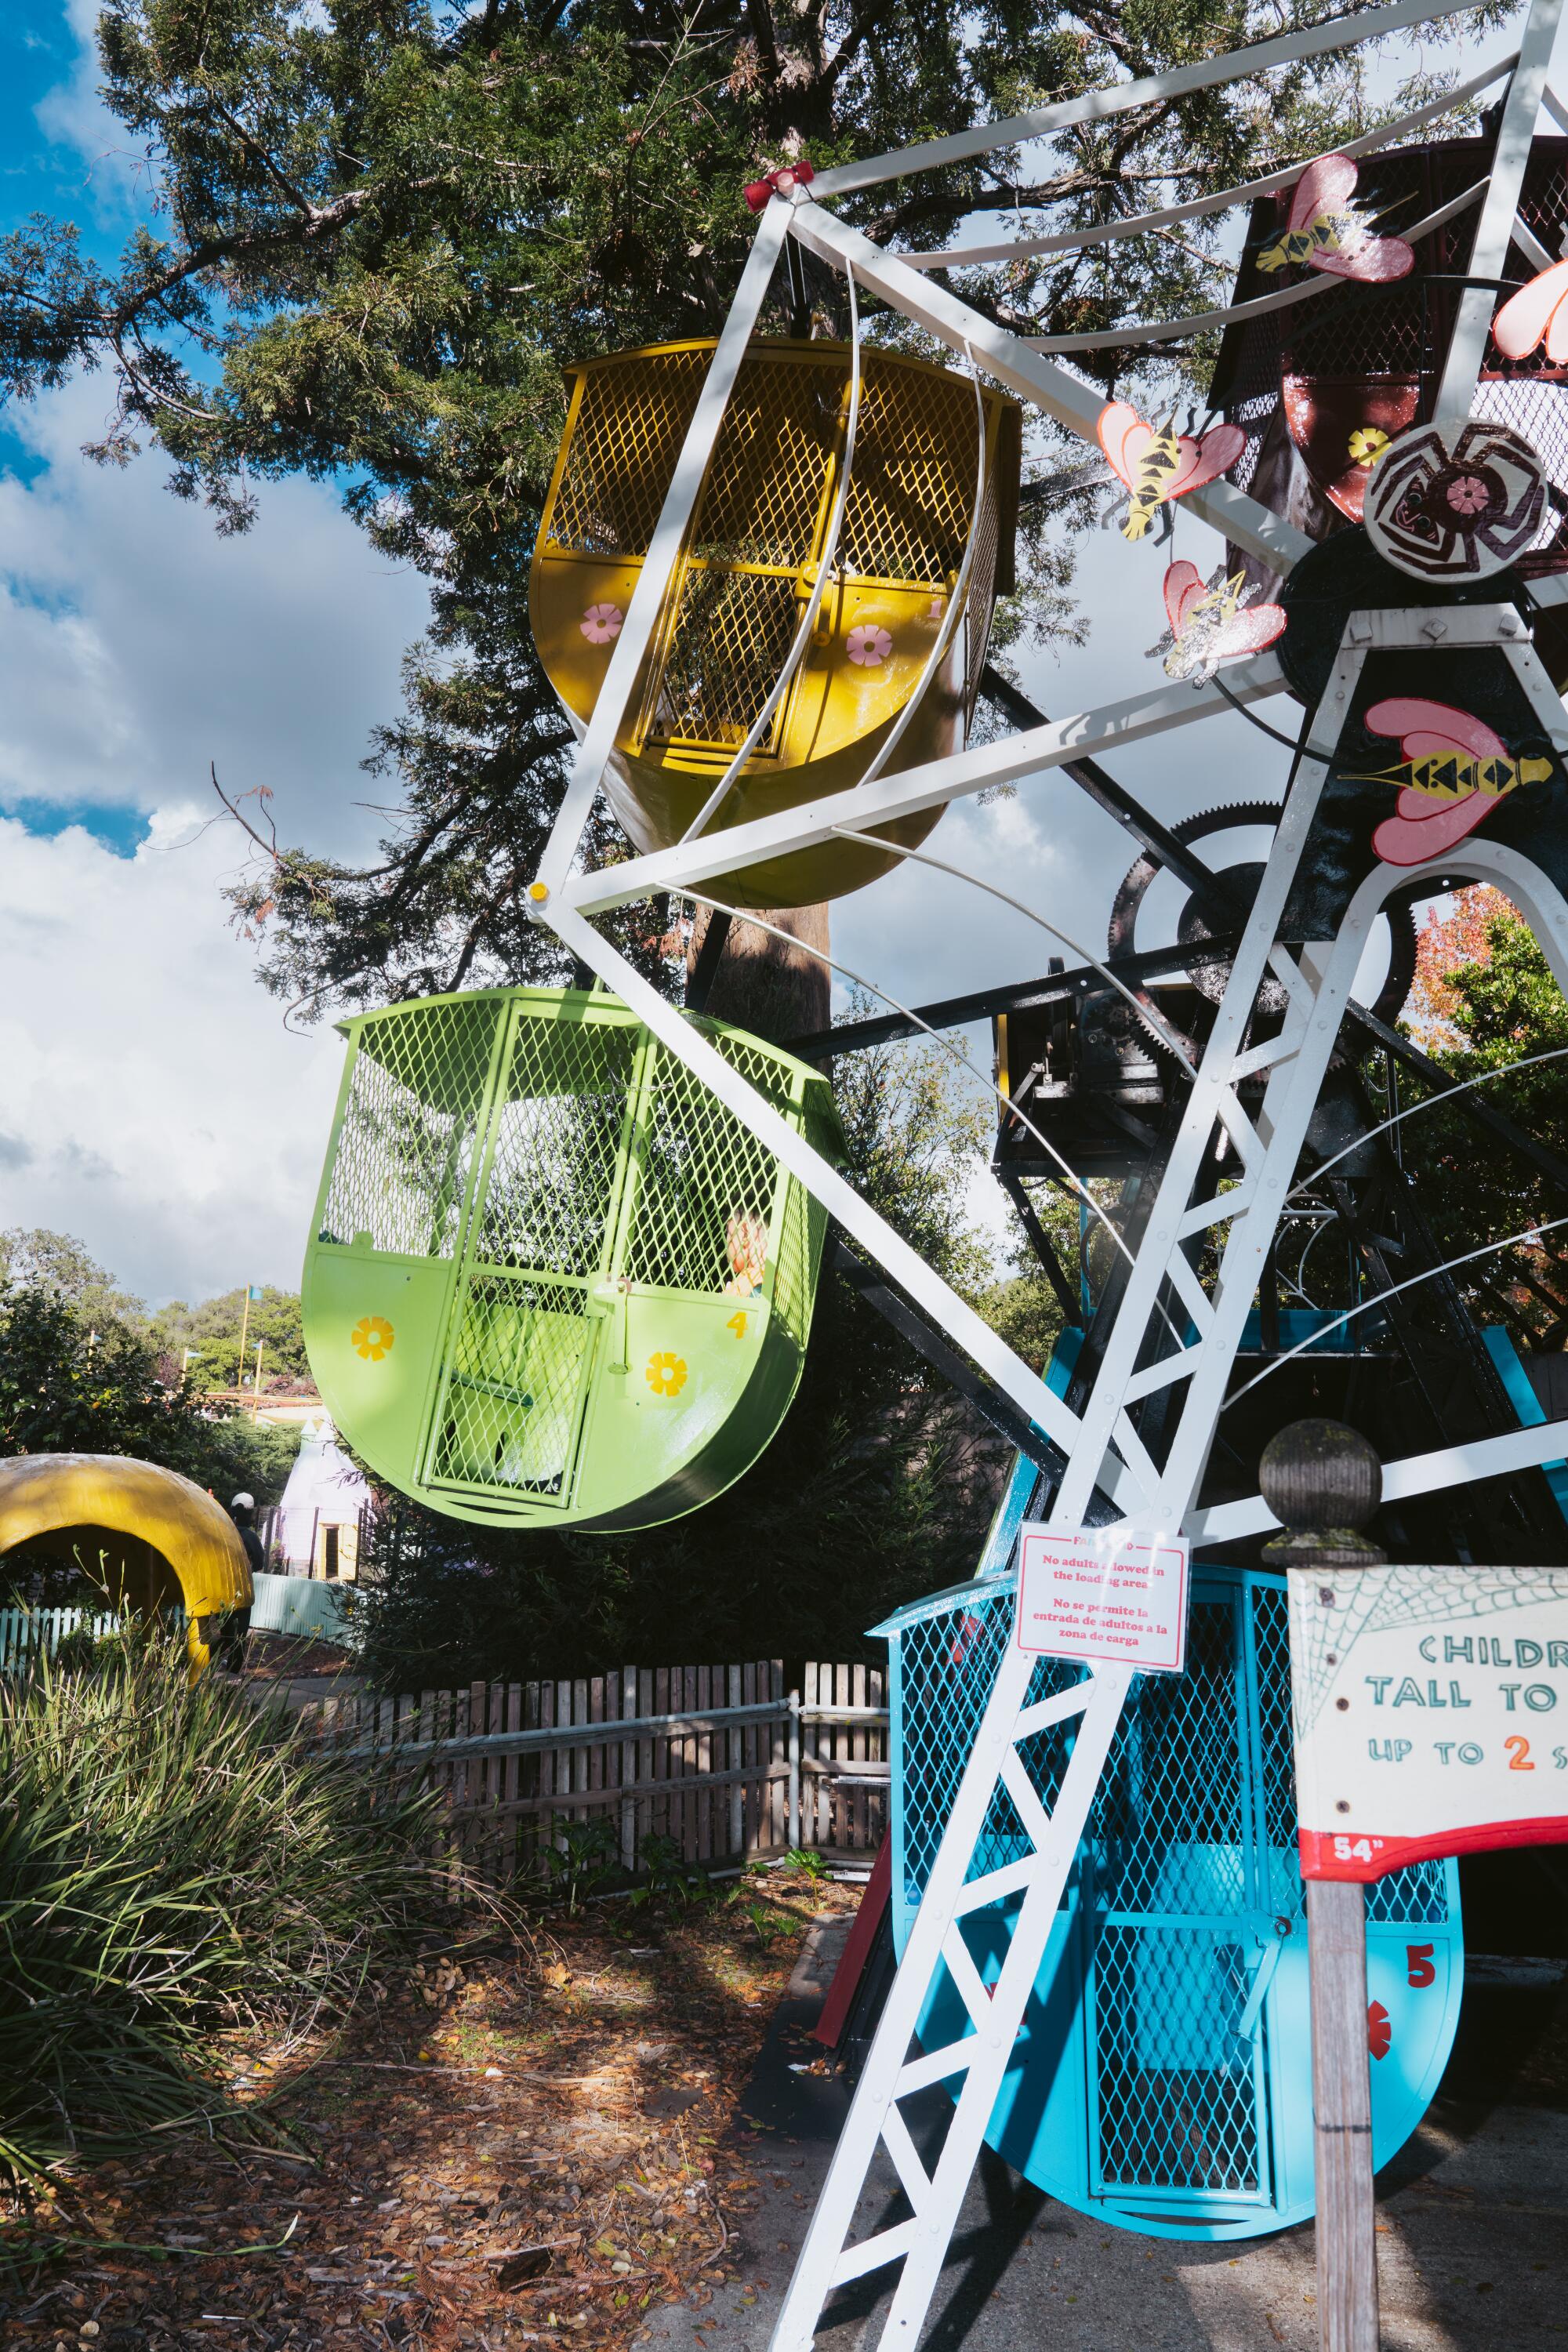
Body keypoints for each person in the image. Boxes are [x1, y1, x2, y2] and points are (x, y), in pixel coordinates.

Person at [222, 1491, 263, 1671]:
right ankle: (233, 1672)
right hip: (243, 1591)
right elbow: (259, 1563)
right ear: (251, 1512)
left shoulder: (222, 1532)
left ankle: (202, 1662)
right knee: (239, 1636)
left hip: (221, 1590)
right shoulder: (251, 1537)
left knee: (225, 1634)